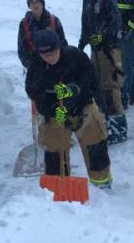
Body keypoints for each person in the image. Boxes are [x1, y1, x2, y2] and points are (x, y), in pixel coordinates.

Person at [25, 28, 112, 188]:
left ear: (59, 47)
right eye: (45, 55)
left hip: (82, 106)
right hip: (56, 112)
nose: (50, 57)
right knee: (54, 145)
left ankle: (102, 183)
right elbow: (33, 92)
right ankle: (58, 186)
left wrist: (76, 89)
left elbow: (92, 79)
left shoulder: (75, 56)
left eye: (52, 52)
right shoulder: (36, 67)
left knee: (94, 138)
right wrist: (52, 109)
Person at [79, 0, 127, 143]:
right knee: (98, 86)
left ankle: (119, 128)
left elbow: (116, 23)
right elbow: (85, 25)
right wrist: (81, 44)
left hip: (110, 50)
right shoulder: (86, 1)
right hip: (95, 51)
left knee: (112, 86)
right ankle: (106, 124)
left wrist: (104, 36)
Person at [17, 0, 67, 70]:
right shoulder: (24, 24)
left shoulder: (54, 20)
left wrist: (61, 63)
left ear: (42, 4)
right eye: (31, 2)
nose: (35, 4)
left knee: (60, 83)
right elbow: (22, 49)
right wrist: (31, 66)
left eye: (37, 1)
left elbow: (63, 44)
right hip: (35, 68)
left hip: (55, 65)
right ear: (29, 6)